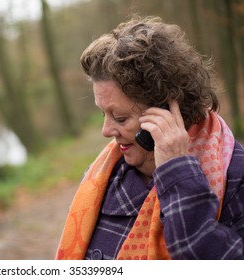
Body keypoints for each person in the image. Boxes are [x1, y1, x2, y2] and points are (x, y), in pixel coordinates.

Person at [55, 16, 244, 260]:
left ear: (166, 112)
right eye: (104, 114)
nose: (106, 131)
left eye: (120, 118)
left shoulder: (235, 176)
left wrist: (177, 172)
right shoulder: (103, 175)